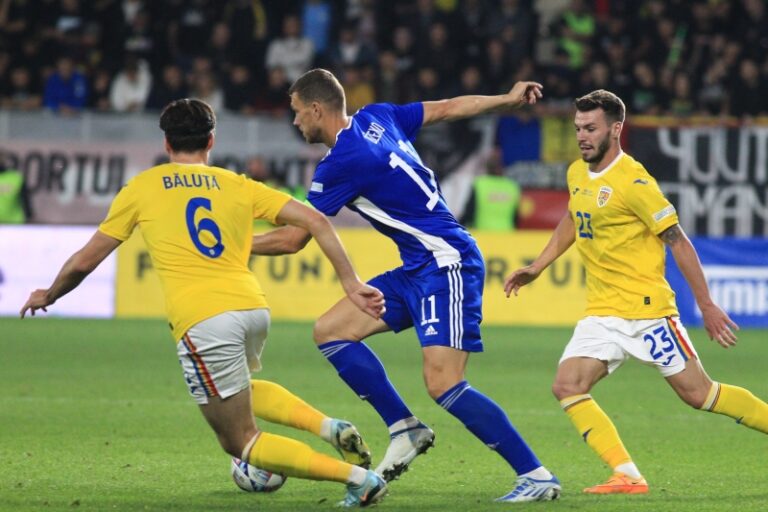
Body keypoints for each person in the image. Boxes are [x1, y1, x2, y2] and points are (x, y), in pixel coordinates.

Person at [19, 98, 388, 508]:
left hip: (204, 319)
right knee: (240, 389)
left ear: (166, 143)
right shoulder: (237, 185)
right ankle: (330, 427)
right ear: (211, 140)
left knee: (239, 440)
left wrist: (48, 294)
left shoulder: (142, 188)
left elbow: (86, 261)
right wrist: (350, 282)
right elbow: (317, 220)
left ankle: (358, 478)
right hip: (252, 308)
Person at [251, 68, 561, 502]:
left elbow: (293, 238)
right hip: (417, 266)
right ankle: (405, 428)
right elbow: (450, 107)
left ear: (317, 109)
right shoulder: (377, 117)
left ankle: (537, 475)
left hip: (446, 263)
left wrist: (231, 245)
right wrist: (506, 100)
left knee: (444, 383)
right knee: (331, 331)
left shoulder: (341, 162)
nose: (296, 121)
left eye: (298, 112)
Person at [504, 89, 768, 495]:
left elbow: (678, 241)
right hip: (602, 311)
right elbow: (574, 219)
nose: (582, 136)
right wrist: (538, 267)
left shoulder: (636, 182)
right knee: (567, 385)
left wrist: (707, 304)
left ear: (616, 128)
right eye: (578, 128)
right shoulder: (576, 172)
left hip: (649, 313)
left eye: (591, 128)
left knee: (700, 395)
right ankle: (627, 474)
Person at [461, 146, 521, 231]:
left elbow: (469, 212)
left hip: (484, 236)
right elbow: (516, 218)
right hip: (507, 236)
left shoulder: (480, 184)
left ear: (487, 166)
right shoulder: (512, 186)